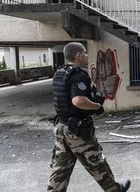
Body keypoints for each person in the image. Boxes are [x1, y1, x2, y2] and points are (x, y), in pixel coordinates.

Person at [48, 42, 130, 192]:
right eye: (85, 53)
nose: (86, 55)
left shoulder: (60, 72)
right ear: (78, 56)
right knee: (97, 162)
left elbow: (65, 99)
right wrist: (97, 106)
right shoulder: (78, 75)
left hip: (61, 127)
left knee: (60, 169)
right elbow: (78, 100)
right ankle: (114, 189)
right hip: (77, 131)